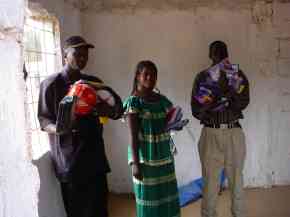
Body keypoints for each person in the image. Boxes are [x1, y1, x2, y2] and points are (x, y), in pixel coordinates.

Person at [38, 35, 123, 217]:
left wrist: (104, 109)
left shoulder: (93, 82)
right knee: (77, 211)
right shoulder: (51, 84)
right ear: (65, 55)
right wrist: (60, 128)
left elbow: (117, 109)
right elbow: (44, 120)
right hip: (69, 162)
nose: (83, 58)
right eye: (78, 54)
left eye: (86, 54)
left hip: (95, 158)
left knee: (100, 210)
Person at [191, 41, 250, 217]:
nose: (219, 57)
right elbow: (195, 109)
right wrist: (212, 102)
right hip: (210, 133)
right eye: (215, 53)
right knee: (210, 183)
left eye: (222, 53)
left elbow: (244, 101)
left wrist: (230, 93)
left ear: (227, 54)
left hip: (233, 132)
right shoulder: (202, 77)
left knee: (236, 181)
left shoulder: (237, 75)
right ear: (210, 55)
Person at [123, 60, 181, 217]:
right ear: (137, 76)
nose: (150, 77)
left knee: (167, 199)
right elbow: (132, 136)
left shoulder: (162, 100)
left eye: (154, 75)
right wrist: (135, 163)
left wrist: (177, 124)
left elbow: (171, 121)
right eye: (146, 74)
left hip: (164, 158)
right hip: (145, 161)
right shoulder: (133, 102)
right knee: (149, 202)